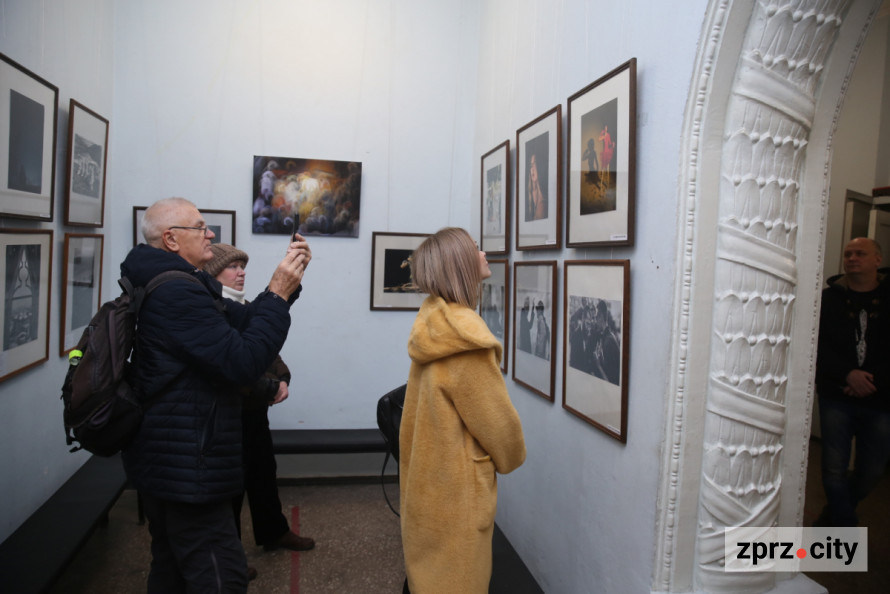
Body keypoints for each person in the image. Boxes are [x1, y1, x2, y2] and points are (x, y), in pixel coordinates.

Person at [120, 197, 311, 593]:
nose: (210, 234)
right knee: (220, 575)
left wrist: (285, 284)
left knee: (172, 569)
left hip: (170, 457)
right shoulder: (177, 292)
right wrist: (277, 294)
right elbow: (241, 361)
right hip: (186, 463)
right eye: (200, 227)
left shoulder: (179, 283)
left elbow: (242, 322)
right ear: (172, 240)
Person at [399, 227, 526, 593]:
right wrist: (511, 456)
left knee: (429, 577)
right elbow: (498, 428)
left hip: (429, 481)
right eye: (475, 248)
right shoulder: (467, 340)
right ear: (460, 263)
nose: (484, 253)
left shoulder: (434, 324)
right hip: (456, 493)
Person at [203, 244, 316, 565]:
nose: (241, 273)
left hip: (254, 413)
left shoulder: (243, 305)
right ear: (213, 272)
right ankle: (230, 558)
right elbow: (233, 367)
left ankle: (272, 532)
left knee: (264, 475)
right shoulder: (210, 309)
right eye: (233, 267)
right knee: (231, 489)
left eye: (243, 266)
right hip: (227, 415)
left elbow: (267, 350)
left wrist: (282, 378)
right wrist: (268, 386)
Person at [815, 237, 890, 527]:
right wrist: (847, 375)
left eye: (860, 253)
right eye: (848, 253)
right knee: (833, 468)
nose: (852, 258)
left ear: (877, 260)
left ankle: (836, 513)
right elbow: (818, 344)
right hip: (837, 395)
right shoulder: (828, 299)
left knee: (872, 470)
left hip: (881, 397)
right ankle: (845, 526)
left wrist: (870, 381)